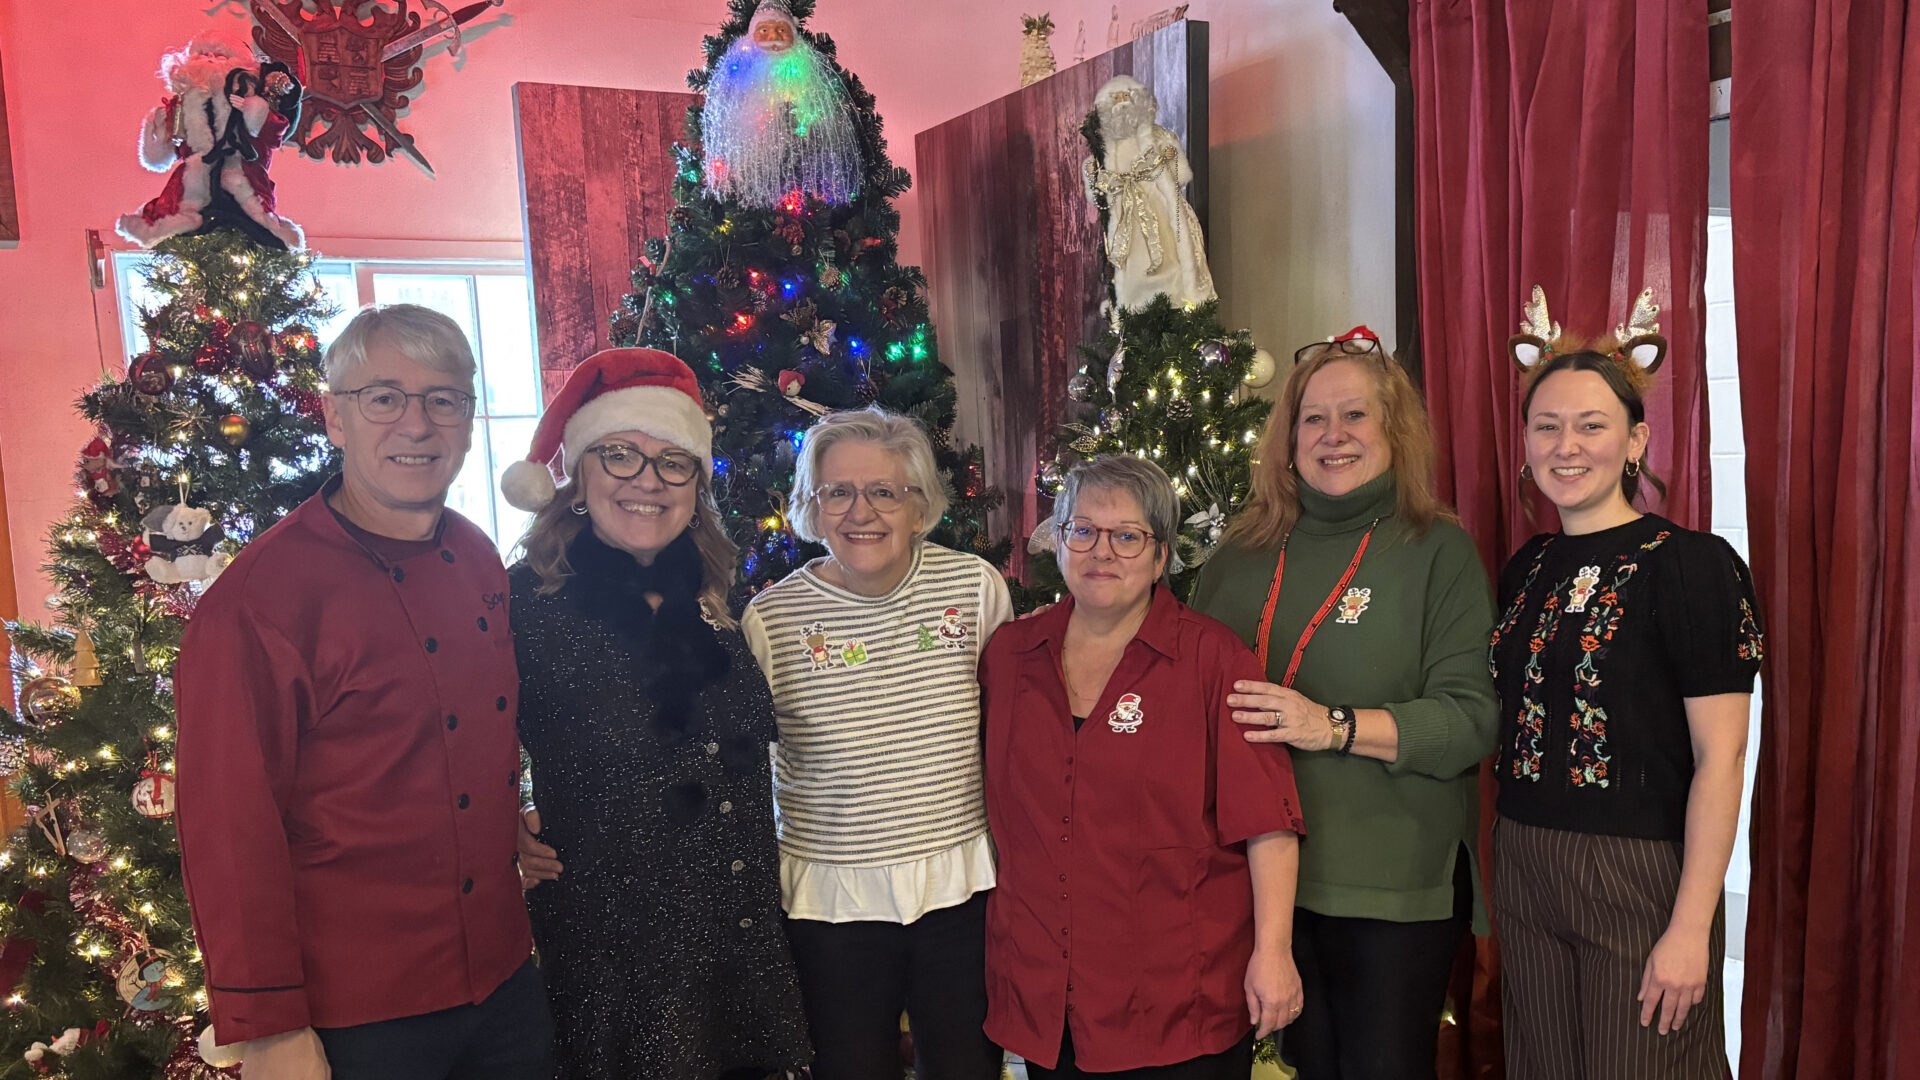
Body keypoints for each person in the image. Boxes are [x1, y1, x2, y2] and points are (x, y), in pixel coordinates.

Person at [175, 304, 551, 1080]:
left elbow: (468, 733)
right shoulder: (258, 600)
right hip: (357, 1010)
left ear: (468, 419)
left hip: (505, 978)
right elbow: (227, 826)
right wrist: (269, 1026)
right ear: (334, 416)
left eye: (442, 399)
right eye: (383, 397)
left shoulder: (479, 556)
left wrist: (505, 820)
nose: (417, 424)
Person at [1188, 325, 1499, 1080]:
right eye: (1314, 418)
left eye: (1356, 416)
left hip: (1393, 887)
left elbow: (1470, 721)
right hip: (1259, 886)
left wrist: (1330, 727)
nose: (1334, 436)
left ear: (1395, 429)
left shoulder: (1437, 551)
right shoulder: (1237, 555)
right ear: (1288, 436)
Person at [501, 347, 810, 1079]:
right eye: (620, 455)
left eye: (674, 462)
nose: (648, 481)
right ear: (577, 476)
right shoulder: (519, 605)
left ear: (695, 486)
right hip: (618, 952)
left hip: (741, 932)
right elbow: (446, 734)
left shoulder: (716, 598)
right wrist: (500, 819)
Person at [1491, 303, 1760, 1078]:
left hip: (1639, 874)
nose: (1565, 447)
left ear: (1636, 440)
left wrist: (1690, 926)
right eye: (1546, 427)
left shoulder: (1691, 565)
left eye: (1591, 425)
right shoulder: (1527, 566)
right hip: (1526, 859)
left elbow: (1722, 756)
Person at [981, 455, 1306, 1079]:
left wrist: (1274, 952)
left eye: (1129, 536)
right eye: (1084, 530)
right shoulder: (1010, 655)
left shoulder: (1214, 660)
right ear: (1061, 542)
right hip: (1051, 997)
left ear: (1161, 558)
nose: (1103, 551)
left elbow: (1268, 822)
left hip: (1180, 1004)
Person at [740, 406, 1011, 1080]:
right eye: (838, 491)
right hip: (831, 900)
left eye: (884, 491)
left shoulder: (974, 589)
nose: (861, 512)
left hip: (958, 887)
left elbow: (1006, 729)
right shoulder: (771, 620)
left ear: (920, 507)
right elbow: (748, 761)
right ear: (810, 506)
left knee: (966, 1068)